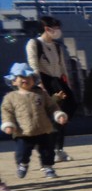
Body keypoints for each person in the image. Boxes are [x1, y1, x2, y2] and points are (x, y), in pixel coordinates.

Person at [2, 62, 68, 179]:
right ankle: (23, 164)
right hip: (23, 132)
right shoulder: (10, 97)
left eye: (28, 77)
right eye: (21, 77)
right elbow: (7, 112)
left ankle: (48, 167)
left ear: (34, 80)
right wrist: (8, 124)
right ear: (13, 81)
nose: (25, 80)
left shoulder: (40, 94)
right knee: (22, 152)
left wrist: (58, 114)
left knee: (47, 151)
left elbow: (51, 106)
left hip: (43, 129)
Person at [26, 16, 76, 162]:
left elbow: (62, 66)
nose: (58, 31)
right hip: (45, 81)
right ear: (47, 28)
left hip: (58, 81)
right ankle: (48, 147)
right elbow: (33, 64)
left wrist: (67, 83)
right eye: (56, 28)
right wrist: (39, 85)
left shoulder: (57, 46)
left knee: (68, 110)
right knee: (54, 115)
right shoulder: (34, 43)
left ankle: (58, 148)